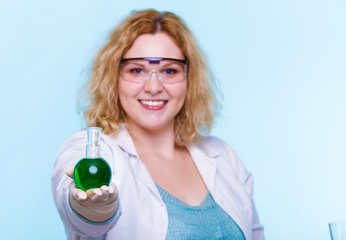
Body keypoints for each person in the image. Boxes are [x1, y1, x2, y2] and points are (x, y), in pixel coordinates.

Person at [52, 9, 264, 240]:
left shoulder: (223, 156)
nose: (153, 87)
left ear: (190, 80)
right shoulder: (93, 150)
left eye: (169, 70)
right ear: (114, 79)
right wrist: (93, 209)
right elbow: (76, 209)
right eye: (137, 70)